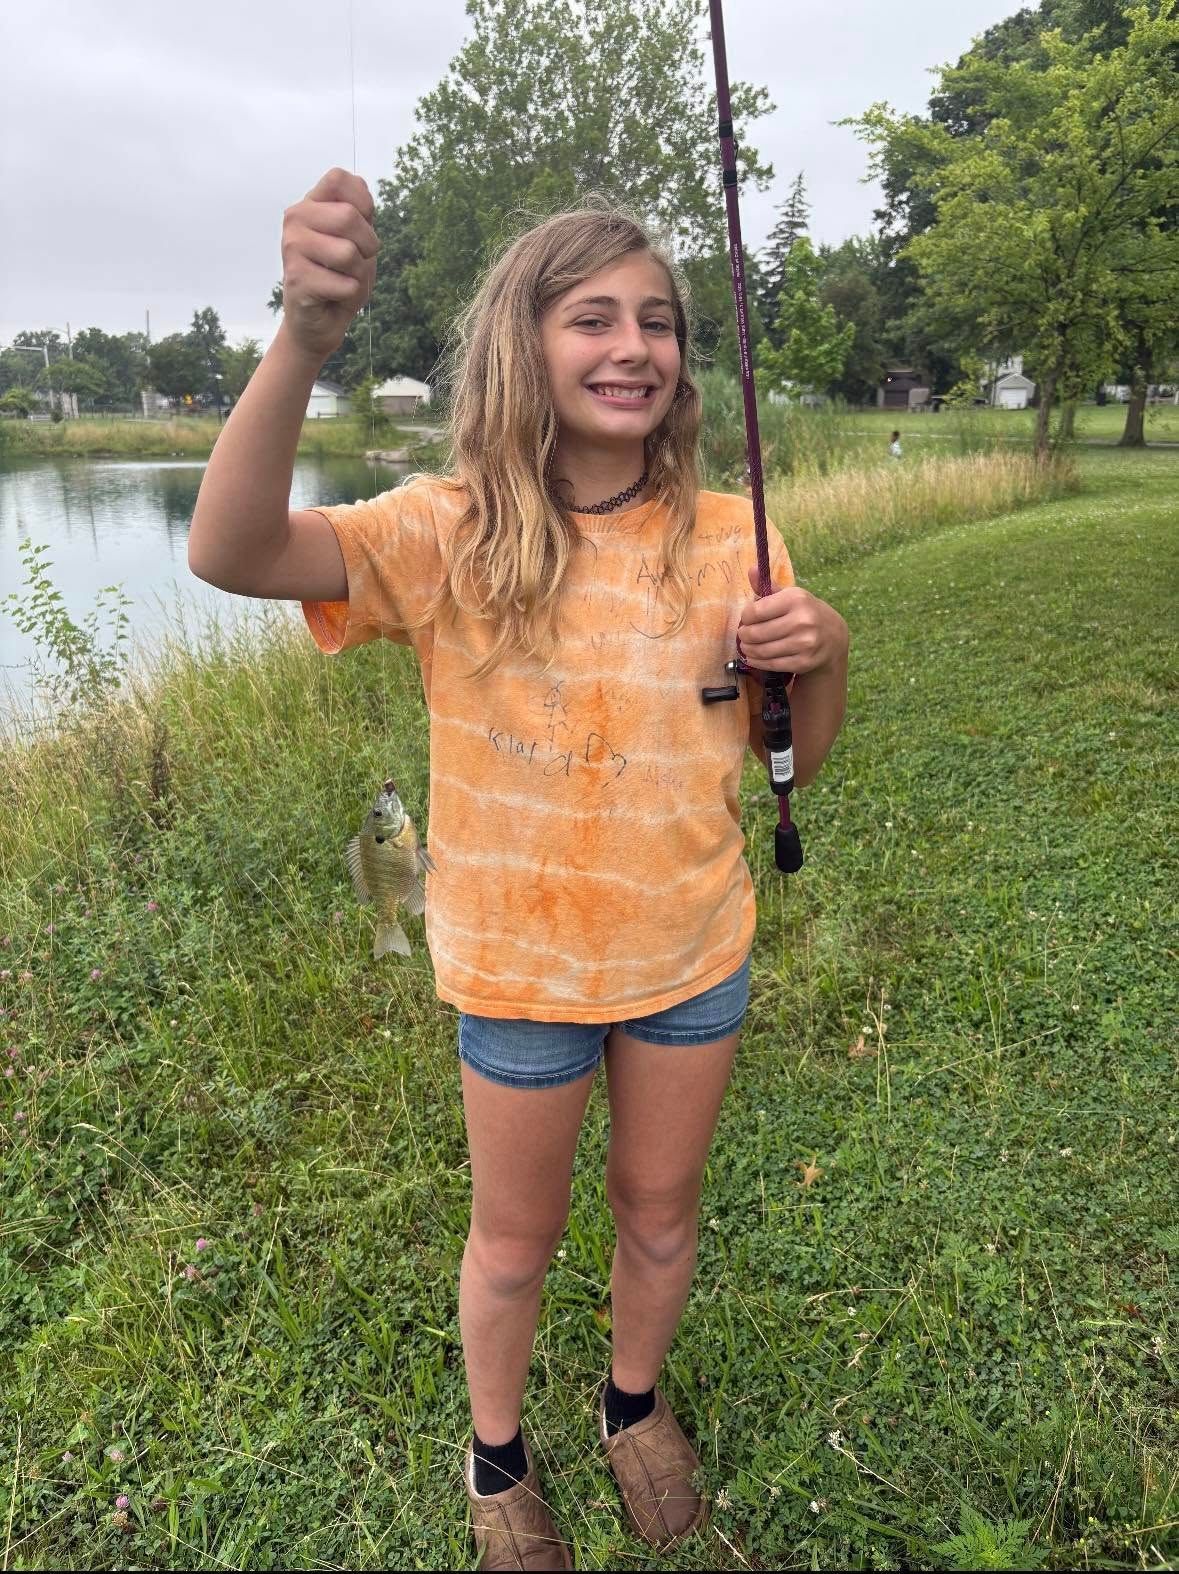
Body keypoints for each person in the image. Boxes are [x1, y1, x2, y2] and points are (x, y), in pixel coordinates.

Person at [187, 167, 850, 1570]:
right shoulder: (444, 528)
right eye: (592, 317)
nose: (634, 347)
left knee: (661, 1217)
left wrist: (822, 654)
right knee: (514, 1241)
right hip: (518, 973)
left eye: (658, 321)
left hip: (691, 956)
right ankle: (498, 1456)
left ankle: (630, 1403)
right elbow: (231, 548)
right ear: (522, 347)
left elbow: (798, 752)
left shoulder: (740, 537)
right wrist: (306, 336)